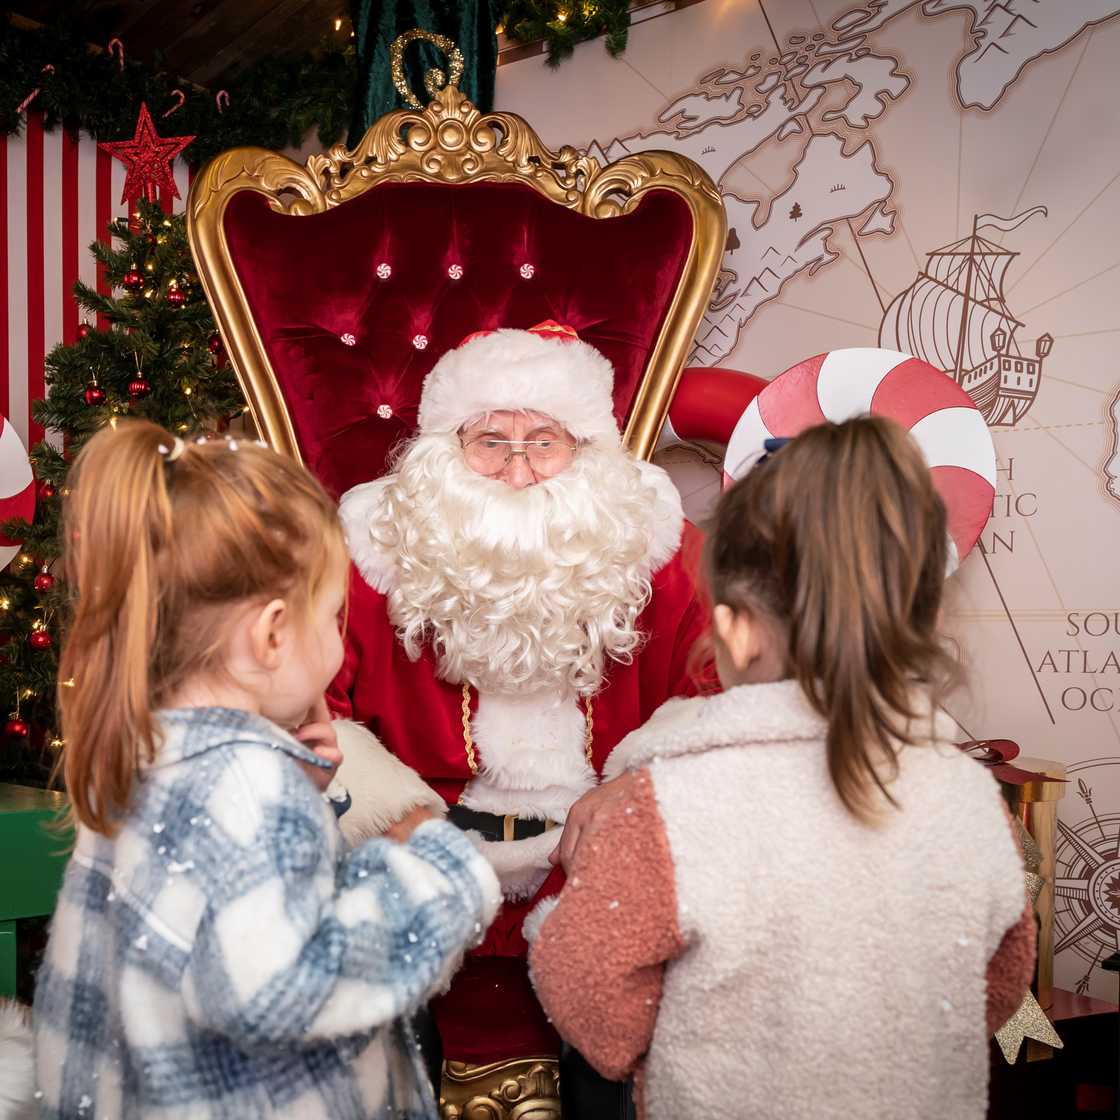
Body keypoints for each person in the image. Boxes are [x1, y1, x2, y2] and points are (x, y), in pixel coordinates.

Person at [525, 416, 1036, 1120]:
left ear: (735, 628)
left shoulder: (673, 804)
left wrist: (666, 1049)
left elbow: (585, 986)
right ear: (921, 618)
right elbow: (1000, 986)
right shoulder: (971, 800)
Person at [32, 421, 500, 1120]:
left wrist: (300, 799)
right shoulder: (250, 785)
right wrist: (436, 876)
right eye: (333, 616)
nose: (338, 639)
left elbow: (212, 920)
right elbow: (279, 993)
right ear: (272, 634)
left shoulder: (146, 752)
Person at [327, 321, 709, 1113]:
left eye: (544, 443)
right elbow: (309, 711)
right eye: (489, 443)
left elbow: (718, 700)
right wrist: (395, 817)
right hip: (424, 846)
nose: (517, 470)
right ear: (446, 448)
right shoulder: (370, 552)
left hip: (597, 858)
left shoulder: (659, 549)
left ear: (585, 449)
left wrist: (635, 791)